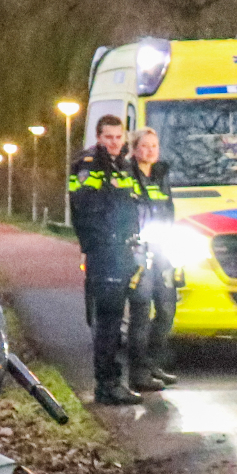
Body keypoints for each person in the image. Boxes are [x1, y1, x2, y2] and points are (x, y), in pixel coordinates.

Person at [68, 114, 145, 405]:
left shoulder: (123, 164)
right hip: (104, 252)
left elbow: (131, 206)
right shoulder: (89, 165)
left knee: (118, 317)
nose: (114, 142)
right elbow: (85, 209)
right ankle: (107, 385)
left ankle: (115, 381)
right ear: (99, 137)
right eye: (108, 137)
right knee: (108, 320)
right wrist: (102, 242)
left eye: (118, 137)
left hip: (123, 251)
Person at [130, 128, 178, 387]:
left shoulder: (161, 175)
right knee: (140, 313)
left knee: (167, 309)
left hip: (163, 251)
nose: (150, 150)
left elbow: (168, 210)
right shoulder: (128, 175)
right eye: (145, 145)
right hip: (140, 252)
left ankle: (153, 364)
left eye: (154, 145)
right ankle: (138, 375)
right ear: (135, 149)